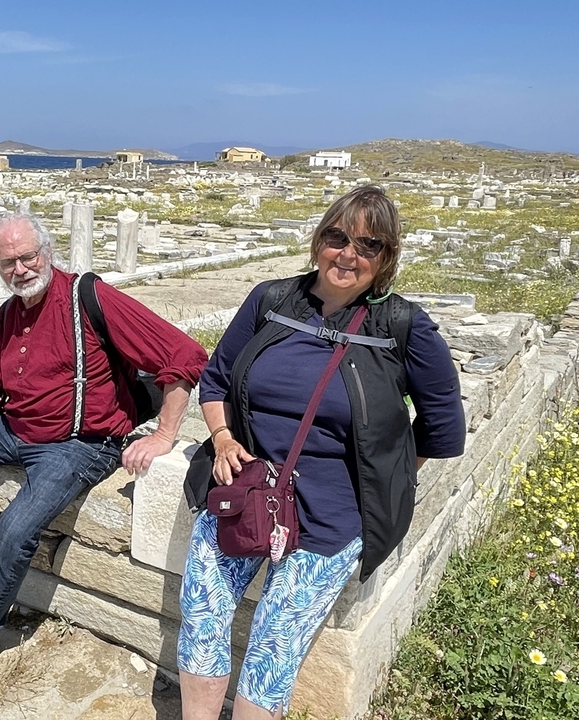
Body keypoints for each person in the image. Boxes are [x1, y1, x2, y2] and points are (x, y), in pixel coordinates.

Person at [177, 186, 466, 719]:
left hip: (331, 516)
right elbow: (215, 380)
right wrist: (222, 438)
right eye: (337, 237)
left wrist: (384, 473)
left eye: (368, 245)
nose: (348, 255)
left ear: (386, 259)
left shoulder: (402, 326)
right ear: (319, 240)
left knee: (272, 652)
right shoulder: (271, 300)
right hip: (244, 493)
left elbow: (444, 429)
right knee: (202, 617)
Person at [0, 212, 208, 690]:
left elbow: (184, 355)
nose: (21, 269)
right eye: (8, 263)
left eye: (28, 257)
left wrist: (163, 437)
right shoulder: (8, 315)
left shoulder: (86, 295)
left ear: (46, 253)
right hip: (17, 429)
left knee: (16, 526)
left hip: (80, 443)